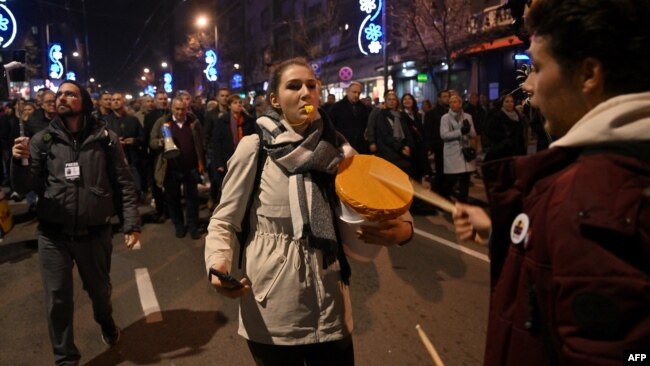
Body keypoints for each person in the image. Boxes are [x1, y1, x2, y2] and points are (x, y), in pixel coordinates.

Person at [453, 1, 650, 364]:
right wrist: (511, 232)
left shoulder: (590, 201)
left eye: (537, 68)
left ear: (589, 74)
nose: (528, 86)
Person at [204, 58, 413, 366]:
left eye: (311, 85)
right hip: (274, 308)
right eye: (293, 86)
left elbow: (379, 200)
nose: (305, 92)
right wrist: (217, 264)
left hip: (331, 304)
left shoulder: (340, 151)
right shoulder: (254, 149)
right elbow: (224, 220)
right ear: (275, 99)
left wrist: (404, 230)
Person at [11, 80, 141, 365]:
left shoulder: (105, 138)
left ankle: (105, 321)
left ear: (84, 100)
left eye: (70, 94)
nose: (62, 98)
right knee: (57, 299)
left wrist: (131, 223)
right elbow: (24, 187)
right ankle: (65, 359)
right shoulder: (42, 141)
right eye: (59, 94)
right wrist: (18, 161)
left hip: (94, 233)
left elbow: (123, 182)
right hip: (53, 234)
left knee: (99, 291)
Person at [150, 97, 205, 239]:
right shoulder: (162, 123)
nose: (180, 112)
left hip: (190, 167)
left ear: (187, 108)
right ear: (171, 108)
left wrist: (201, 164)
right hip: (171, 168)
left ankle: (193, 226)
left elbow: (200, 143)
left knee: (192, 199)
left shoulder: (193, 122)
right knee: (173, 199)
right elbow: (152, 142)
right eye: (177, 109)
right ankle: (179, 225)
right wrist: (163, 142)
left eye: (183, 109)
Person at [211, 94, 255, 205]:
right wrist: (219, 163)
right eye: (235, 103)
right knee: (229, 188)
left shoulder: (248, 120)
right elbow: (217, 143)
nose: (238, 105)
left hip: (244, 158)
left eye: (240, 102)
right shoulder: (222, 121)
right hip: (228, 158)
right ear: (230, 106)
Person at [440, 95, 476, 203]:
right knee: (452, 178)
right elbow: (444, 135)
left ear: (460, 103)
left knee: (465, 178)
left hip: (465, 152)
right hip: (452, 152)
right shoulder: (445, 118)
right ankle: (445, 193)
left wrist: (468, 129)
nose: (452, 104)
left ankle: (462, 202)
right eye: (451, 102)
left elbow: (474, 134)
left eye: (455, 102)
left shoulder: (467, 116)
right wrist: (460, 132)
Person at [482, 94, 527, 162]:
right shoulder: (497, 116)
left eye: (512, 101)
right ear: (502, 103)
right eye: (507, 101)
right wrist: (504, 137)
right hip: (503, 151)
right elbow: (488, 131)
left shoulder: (517, 115)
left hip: (518, 150)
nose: (509, 103)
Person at [329, 81, 370, 154]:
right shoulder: (337, 107)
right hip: (343, 146)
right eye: (354, 92)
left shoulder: (363, 108)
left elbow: (366, 126)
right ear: (348, 92)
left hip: (360, 146)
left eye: (358, 93)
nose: (356, 95)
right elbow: (330, 126)